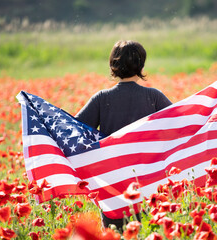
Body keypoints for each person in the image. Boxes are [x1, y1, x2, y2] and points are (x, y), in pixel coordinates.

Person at [74, 40, 172, 231]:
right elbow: (179, 125)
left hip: (113, 184)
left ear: (113, 66)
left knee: (114, 232)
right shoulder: (154, 97)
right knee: (148, 231)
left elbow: (74, 131)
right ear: (141, 65)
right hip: (148, 182)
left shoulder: (102, 98)